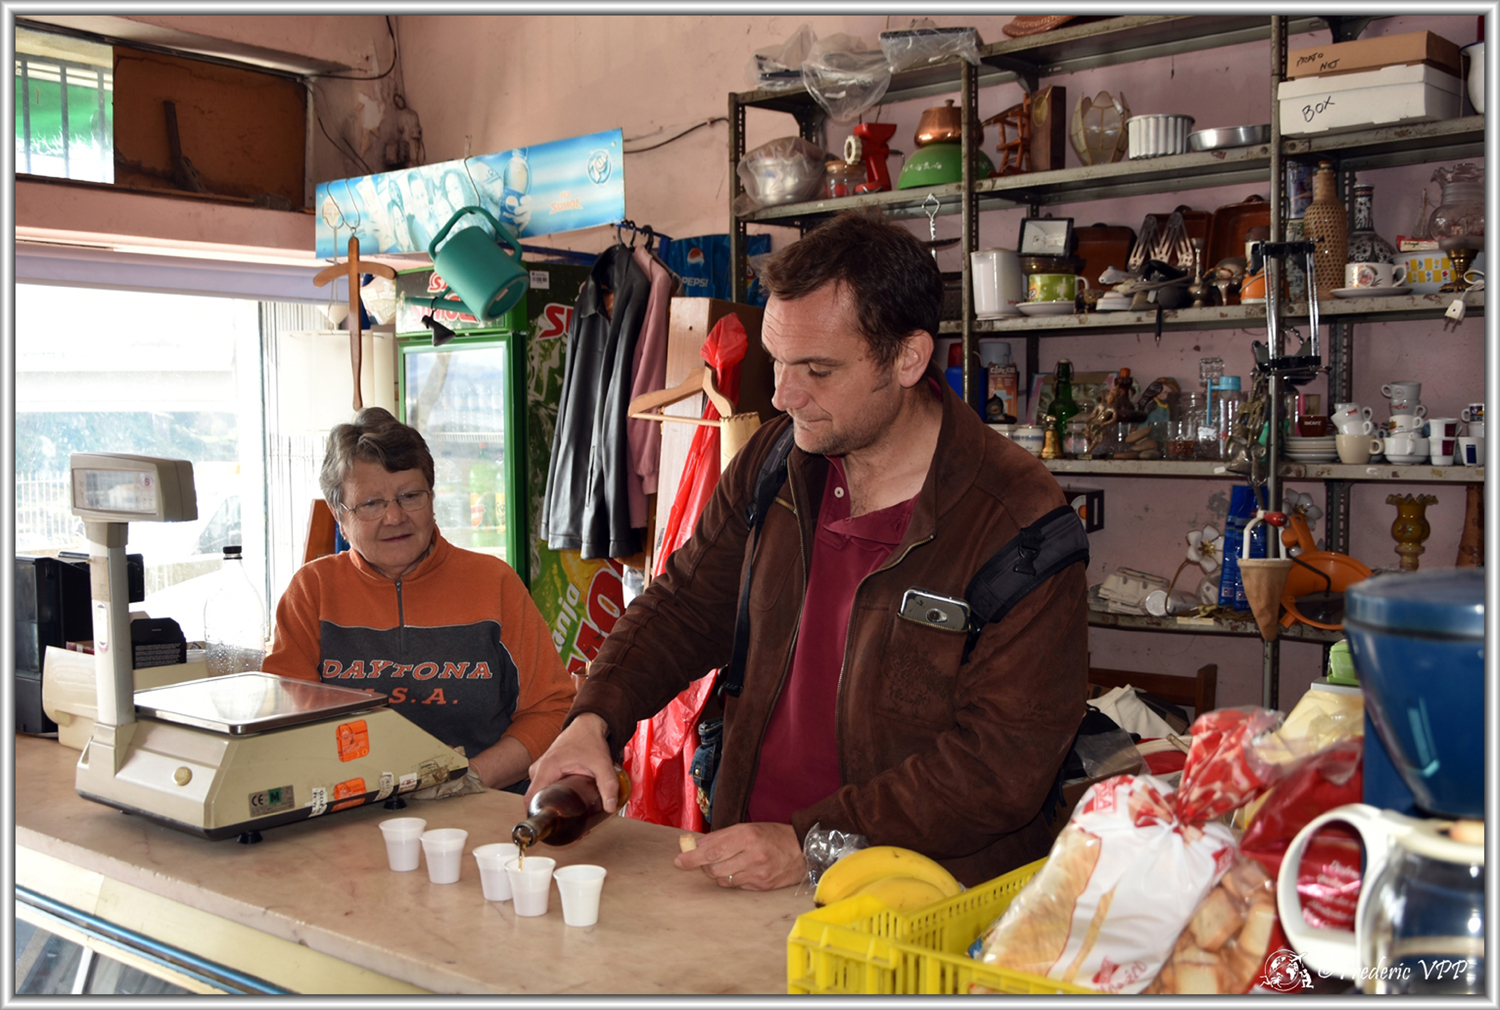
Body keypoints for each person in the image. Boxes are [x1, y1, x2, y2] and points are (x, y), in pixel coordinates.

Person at [526, 210, 1090, 889]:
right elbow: (684, 608)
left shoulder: (1016, 518)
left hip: (916, 900)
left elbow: (1001, 764)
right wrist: (595, 716)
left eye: (818, 370)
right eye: (778, 360)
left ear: (909, 358)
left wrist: (814, 842)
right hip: (749, 871)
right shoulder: (776, 460)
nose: (783, 394)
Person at [262, 407, 575, 792]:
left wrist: (468, 778)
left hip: (484, 798)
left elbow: (551, 709)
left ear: (431, 498)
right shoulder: (312, 591)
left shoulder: (494, 583)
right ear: (339, 515)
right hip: (352, 802)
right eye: (371, 503)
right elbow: (286, 725)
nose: (394, 517)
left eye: (410, 496)